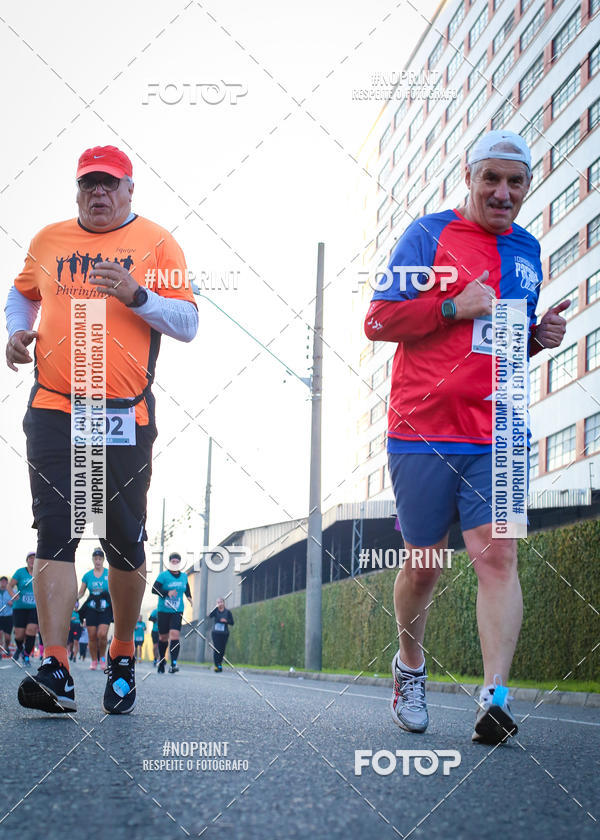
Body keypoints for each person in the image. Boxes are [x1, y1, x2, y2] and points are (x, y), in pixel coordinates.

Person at [364, 130, 569, 745]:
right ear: (469, 176)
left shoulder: (529, 248)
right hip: (423, 428)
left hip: (500, 431)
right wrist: (452, 306)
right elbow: (376, 319)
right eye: (491, 180)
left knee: (499, 554)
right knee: (425, 565)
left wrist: (537, 336)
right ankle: (410, 667)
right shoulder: (428, 236)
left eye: (515, 182)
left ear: (527, 186)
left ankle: (495, 698)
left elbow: (502, 344)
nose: (502, 193)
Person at [4, 145, 198, 715]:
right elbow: (22, 291)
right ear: (78, 189)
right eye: (89, 183)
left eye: (109, 184)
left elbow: (188, 322)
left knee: (122, 540)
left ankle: (119, 655)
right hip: (54, 408)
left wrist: (136, 295)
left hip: (123, 415)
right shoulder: (49, 240)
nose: (99, 193)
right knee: (54, 534)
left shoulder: (157, 242)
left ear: (129, 189)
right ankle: (57, 666)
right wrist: (18, 330)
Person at [152, 552, 192, 674]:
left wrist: (189, 597)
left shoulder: (184, 576)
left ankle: (173, 663)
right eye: (173, 562)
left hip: (177, 610)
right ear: (170, 563)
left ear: (179, 564)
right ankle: (162, 659)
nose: (175, 564)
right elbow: (154, 589)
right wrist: (166, 593)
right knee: (163, 637)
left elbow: (186, 587)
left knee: (174, 635)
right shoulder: (163, 576)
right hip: (163, 610)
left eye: (177, 562)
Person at [78, 548, 113, 671]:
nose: (97, 561)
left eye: (100, 559)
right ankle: (94, 660)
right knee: (92, 636)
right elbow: (81, 593)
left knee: (102, 634)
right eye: (95, 559)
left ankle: (102, 658)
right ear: (93, 560)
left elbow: (116, 589)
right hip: (91, 608)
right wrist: (74, 599)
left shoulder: (109, 573)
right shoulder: (87, 576)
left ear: (103, 560)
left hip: (105, 608)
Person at [8, 552, 39, 666]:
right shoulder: (20, 572)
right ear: (27, 560)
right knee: (19, 635)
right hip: (19, 608)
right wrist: (13, 594)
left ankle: (26, 655)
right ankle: (20, 649)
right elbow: (9, 585)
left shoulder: (40, 573)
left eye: (35, 558)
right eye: (30, 558)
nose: (32, 560)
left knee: (31, 630)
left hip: (34, 608)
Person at [209, 597, 234, 672]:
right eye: (218, 602)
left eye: (221, 602)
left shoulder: (228, 612)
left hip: (224, 633)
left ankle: (220, 664)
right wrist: (215, 608)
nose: (220, 603)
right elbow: (210, 615)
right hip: (216, 633)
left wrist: (226, 621)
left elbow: (232, 622)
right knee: (216, 649)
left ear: (224, 603)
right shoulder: (215, 611)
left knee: (222, 649)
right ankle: (216, 665)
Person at [0, 576, 14, 658]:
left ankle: (6, 646)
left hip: (8, 616)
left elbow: (17, 600)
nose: (3, 583)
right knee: (0, 634)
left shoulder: (11, 591)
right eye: (2, 581)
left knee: (7, 637)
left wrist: (12, 603)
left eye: (5, 582)